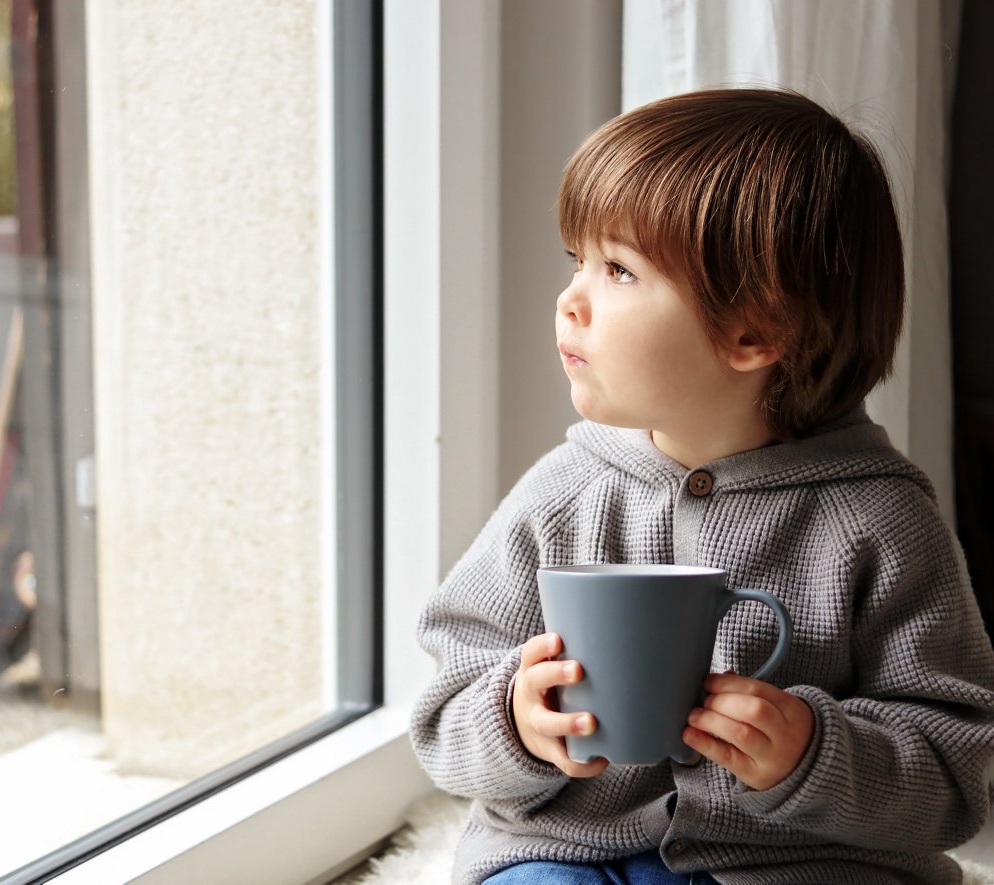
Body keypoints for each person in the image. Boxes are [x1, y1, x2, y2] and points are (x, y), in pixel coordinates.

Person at [409, 87, 994, 885]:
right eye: (576, 261)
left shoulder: (882, 520)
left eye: (617, 269)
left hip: (802, 864)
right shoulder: (563, 492)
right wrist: (515, 719)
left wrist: (814, 753)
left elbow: (957, 773)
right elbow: (443, 710)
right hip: (574, 855)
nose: (569, 300)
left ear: (752, 331)